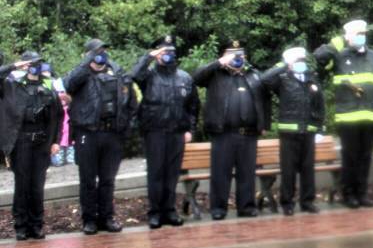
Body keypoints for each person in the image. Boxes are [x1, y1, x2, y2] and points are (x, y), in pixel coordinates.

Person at [314, 20, 373, 209]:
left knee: (365, 156)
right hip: (348, 116)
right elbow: (319, 57)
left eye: (363, 33)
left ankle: (362, 193)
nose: (361, 36)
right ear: (348, 35)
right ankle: (348, 194)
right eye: (356, 33)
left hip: (370, 115)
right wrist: (341, 41)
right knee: (350, 156)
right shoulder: (338, 56)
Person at [63, 38, 137, 234]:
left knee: (108, 179)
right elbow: (67, 85)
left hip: (112, 133)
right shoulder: (81, 73)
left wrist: (126, 129)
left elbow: (131, 103)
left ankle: (107, 217)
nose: (101, 54)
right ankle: (89, 219)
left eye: (104, 50)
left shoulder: (117, 72)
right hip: (87, 133)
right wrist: (86, 64)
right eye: (96, 51)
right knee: (87, 179)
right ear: (87, 54)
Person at [193, 39, 268, 220]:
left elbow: (264, 100)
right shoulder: (215, 75)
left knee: (247, 173)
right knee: (220, 173)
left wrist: (264, 124)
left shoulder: (253, 75)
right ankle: (218, 208)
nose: (237, 57)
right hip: (223, 133)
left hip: (248, 133)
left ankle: (247, 207)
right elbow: (196, 78)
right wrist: (219, 63)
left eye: (240, 54)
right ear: (223, 56)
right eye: (232, 54)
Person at [131, 36, 199, 229]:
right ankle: (155, 213)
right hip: (155, 132)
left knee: (172, 174)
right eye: (163, 51)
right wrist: (149, 57)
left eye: (170, 51)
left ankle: (170, 210)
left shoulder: (184, 77)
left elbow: (193, 106)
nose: (168, 54)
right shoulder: (149, 76)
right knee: (156, 174)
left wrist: (190, 129)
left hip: (177, 132)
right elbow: (134, 75)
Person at [0, 52, 62, 240]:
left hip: (42, 143)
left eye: (38, 63)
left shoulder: (48, 86)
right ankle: (21, 226)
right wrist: (14, 66)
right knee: (22, 185)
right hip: (21, 143)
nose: (36, 66)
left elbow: (57, 116)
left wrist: (56, 141)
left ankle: (36, 225)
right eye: (32, 63)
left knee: (37, 186)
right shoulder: (12, 86)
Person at [262, 47, 324, 215]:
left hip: (308, 131)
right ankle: (287, 203)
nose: (301, 63)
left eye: (303, 60)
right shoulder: (282, 79)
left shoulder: (312, 78)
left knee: (308, 169)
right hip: (289, 133)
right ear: (289, 63)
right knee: (288, 170)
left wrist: (319, 128)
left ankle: (307, 202)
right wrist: (284, 66)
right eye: (297, 61)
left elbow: (320, 104)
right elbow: (265, 79)